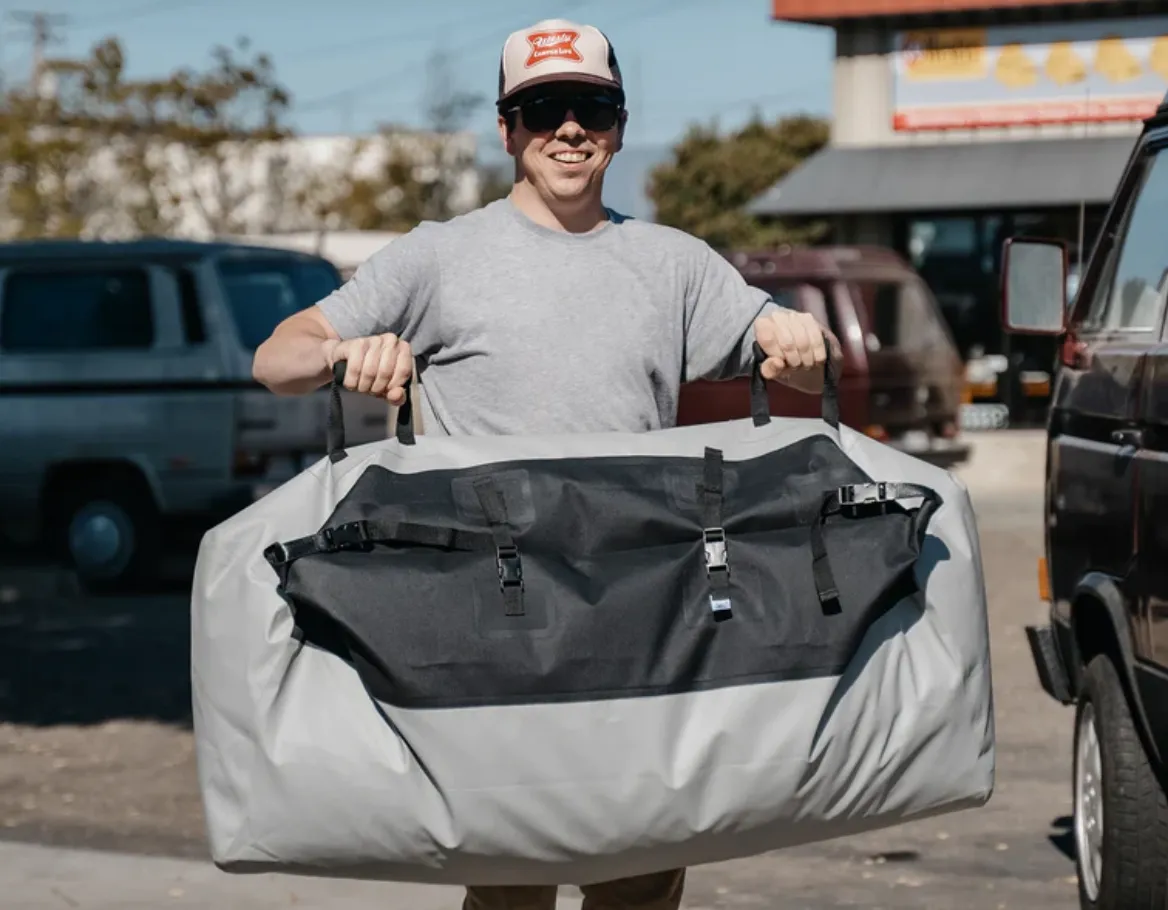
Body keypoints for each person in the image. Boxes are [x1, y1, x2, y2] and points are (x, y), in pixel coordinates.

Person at [252, 17, 840, 910]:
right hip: (498, 618)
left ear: (620, 126)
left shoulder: (674, 265)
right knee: (510, 884)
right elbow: (277, 357)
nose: (569, 128)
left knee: (641, 876)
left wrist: (801, 346)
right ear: (507, 130)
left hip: (644, 614)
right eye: (543, 109)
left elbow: (801, 360)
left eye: (592, 109)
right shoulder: (438, 256)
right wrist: (344, 354)